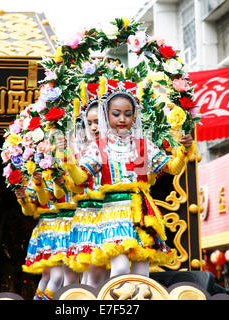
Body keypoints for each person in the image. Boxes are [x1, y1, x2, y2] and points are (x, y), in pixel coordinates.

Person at [62, 81, 194, 278]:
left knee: (142, 272)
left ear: (135, 116)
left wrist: (183, 150)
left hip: (140, 212)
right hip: (113, 213)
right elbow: (81, 177)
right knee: (121, 267)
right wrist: (67, 159)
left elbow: (173, 168)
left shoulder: (144, 145)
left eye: (127, 114)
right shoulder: (99, 146)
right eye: (116, 114)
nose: (122, 119)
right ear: (107, 115)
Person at [64, 100, 108, 288]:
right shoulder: (87, 150)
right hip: (91, 214)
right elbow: (78, 184)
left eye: (97, 121)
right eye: (89, 123)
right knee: (93, 273)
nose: (93, 127)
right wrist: (67, 158)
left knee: (108, 273)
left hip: (114, 212)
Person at [16, 173, 80, 300]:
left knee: (64, 275)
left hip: (69, 223)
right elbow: (30, 209)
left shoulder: (71, 167)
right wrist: (23, 199)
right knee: (54, 276)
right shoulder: (39, 172)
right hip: (52, 228)